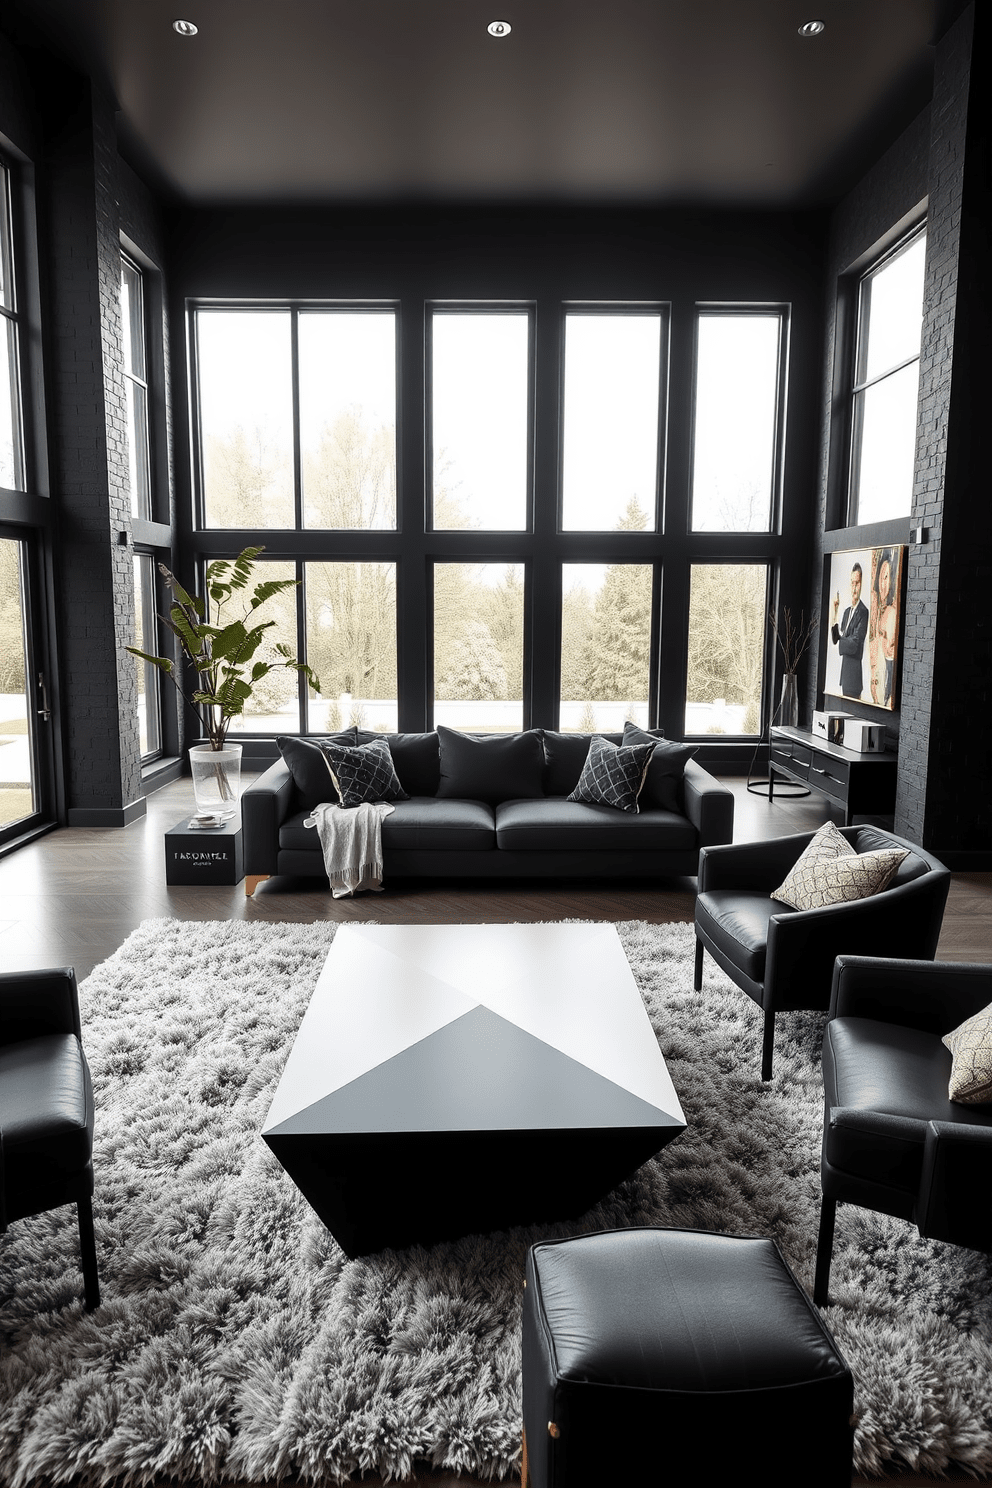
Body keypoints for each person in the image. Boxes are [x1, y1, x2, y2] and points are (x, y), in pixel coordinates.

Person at [831, 561, 868, 700]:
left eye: (857, 583)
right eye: (852, 583)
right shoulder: (846, 612)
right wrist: (834, 612)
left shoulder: (863, 612)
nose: (854, 588)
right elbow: (836, 639)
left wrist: (842, 640)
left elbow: (855, 645)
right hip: (845, 676)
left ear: (861, 584)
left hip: (854, 679)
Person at [870, 549, 898, 707]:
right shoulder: (877, 613)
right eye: (881, 577)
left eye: (887, 577)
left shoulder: (891, 612)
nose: (883, 583)